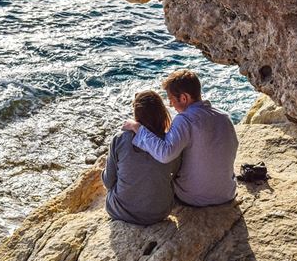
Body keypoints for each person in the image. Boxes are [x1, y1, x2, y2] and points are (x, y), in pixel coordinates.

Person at [123, 69, 238, 206]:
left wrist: (138, 128)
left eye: (171, 99)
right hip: (226, 193)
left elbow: (165, 154)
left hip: (194, 197)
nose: (171, 105)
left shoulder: (184, 120)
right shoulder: (224, 117)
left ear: (184, 98)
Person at [102, 91, 180, 225]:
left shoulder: (121, 138)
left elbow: (108, 182)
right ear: (161, 113)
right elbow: (175, 172)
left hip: (122, 212)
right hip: (159, 212)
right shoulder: (168, 143)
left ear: (137, 114)